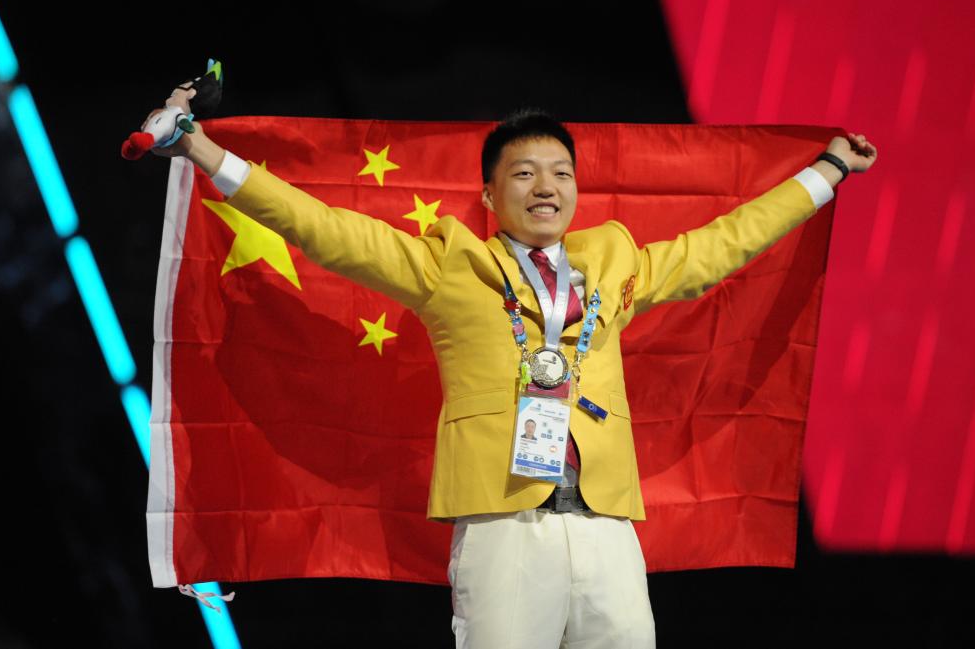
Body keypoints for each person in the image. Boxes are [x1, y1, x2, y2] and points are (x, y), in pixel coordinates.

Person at [142, 97, 876, 649]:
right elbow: (323, 228)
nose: (545, 186)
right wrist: (201, 148)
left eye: (560, 173)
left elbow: (722, 244)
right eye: (524, 174)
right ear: (490, 196)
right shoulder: (448, 267)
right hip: (503, 525)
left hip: (606, 525)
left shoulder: (613, 263)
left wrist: (829, 171)